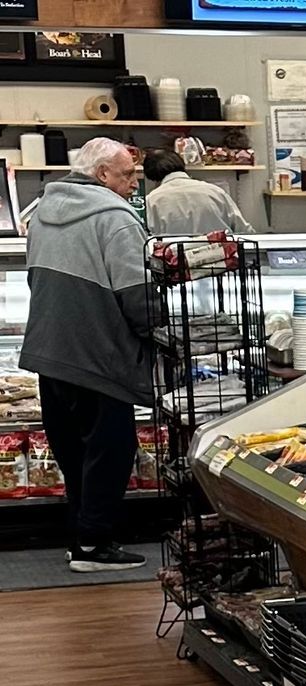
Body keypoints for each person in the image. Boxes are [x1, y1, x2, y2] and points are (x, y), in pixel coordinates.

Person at [20, 137, 153, 575]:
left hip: (48, 351)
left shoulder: (41, 212)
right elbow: (136, 293)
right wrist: (159, 329)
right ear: (102, 175)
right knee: (112, 447)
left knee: (74, 450)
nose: (135, 182)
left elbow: (31, 278)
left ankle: (81, 536)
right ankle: (95, 546)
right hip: (97, 353)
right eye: (127, 174)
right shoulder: (116, 219)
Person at [142, 150, 255, 236]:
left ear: (151, 177)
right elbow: (245, 232)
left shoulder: (151, 201)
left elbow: (147, 240)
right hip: (222, 264)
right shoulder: (215, 192)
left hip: (173, 264)